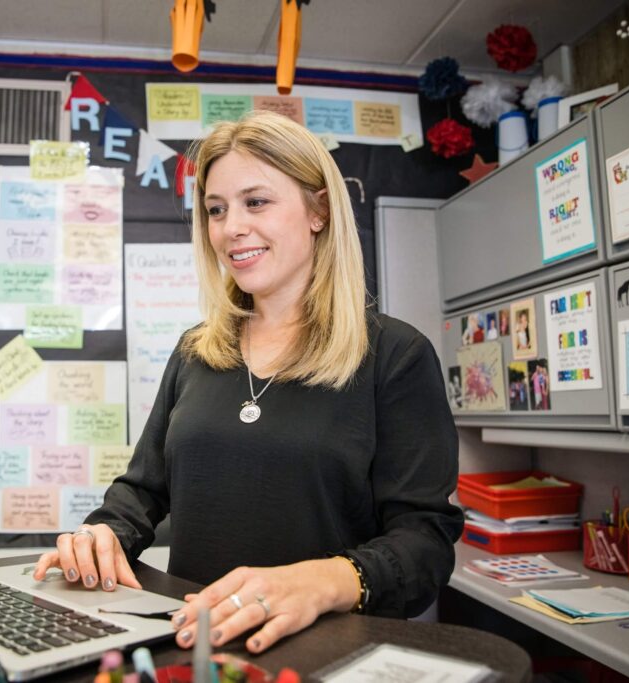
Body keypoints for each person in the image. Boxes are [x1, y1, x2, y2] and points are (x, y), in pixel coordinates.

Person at [33, 110, 462, 654]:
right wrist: (103, 535)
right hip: (197, 647)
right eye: (216, 209)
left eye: (255, 202)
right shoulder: (197, 350)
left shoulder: (395, 356)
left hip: (322, 653)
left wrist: (327, 578)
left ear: (318, 210)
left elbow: (425, 541)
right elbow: (143, 490)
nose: (230, 227)